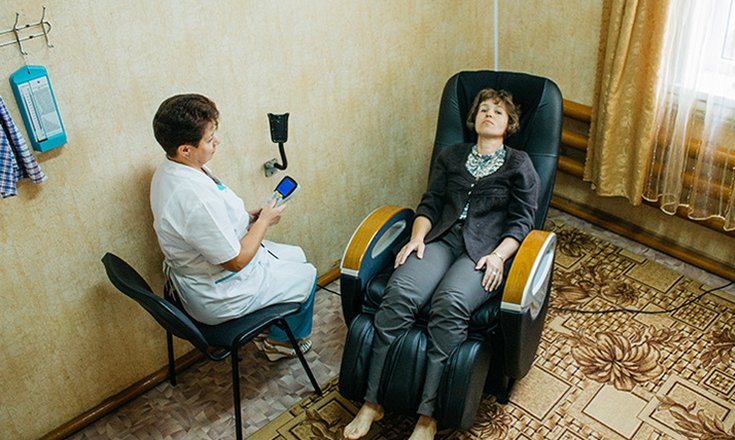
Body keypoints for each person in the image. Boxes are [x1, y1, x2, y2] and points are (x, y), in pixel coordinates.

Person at [343, 89, 539, 440]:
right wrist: (416, 238)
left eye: (498, 111)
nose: (489, 114)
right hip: (440, 239)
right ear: (473, 119)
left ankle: (427, 416)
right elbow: (430, 204)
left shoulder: (519, 163)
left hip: (485, 250)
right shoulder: (451, 156)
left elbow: (523, 221)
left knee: (450, 304)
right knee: (398, 294)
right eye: (483, 109)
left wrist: (499, 256)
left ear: (510, 124)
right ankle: (372, 401)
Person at [150, 94, 316, 361]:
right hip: (220, 292)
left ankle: (271, 327)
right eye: (209, 139)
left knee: (297, 255)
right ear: (185, 149)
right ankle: (281, 343)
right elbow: (236, 261)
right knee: (307, 275)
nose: (217, 141)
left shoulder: (173, 168)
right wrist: (264, 221)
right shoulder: (193, 197)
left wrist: (248, 218)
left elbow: (210, 223)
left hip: (209, 269)